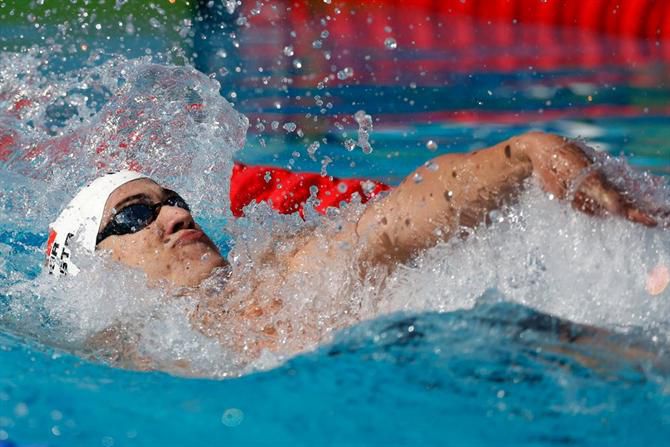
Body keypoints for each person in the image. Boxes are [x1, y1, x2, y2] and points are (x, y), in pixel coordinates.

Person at [45, 131, 666, 361]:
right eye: (135, 216)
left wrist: (525, 153)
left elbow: (393, 224)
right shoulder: (107, 357)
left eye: (174, 197)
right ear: (94, 268)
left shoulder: (279, 273)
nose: (176, 213)